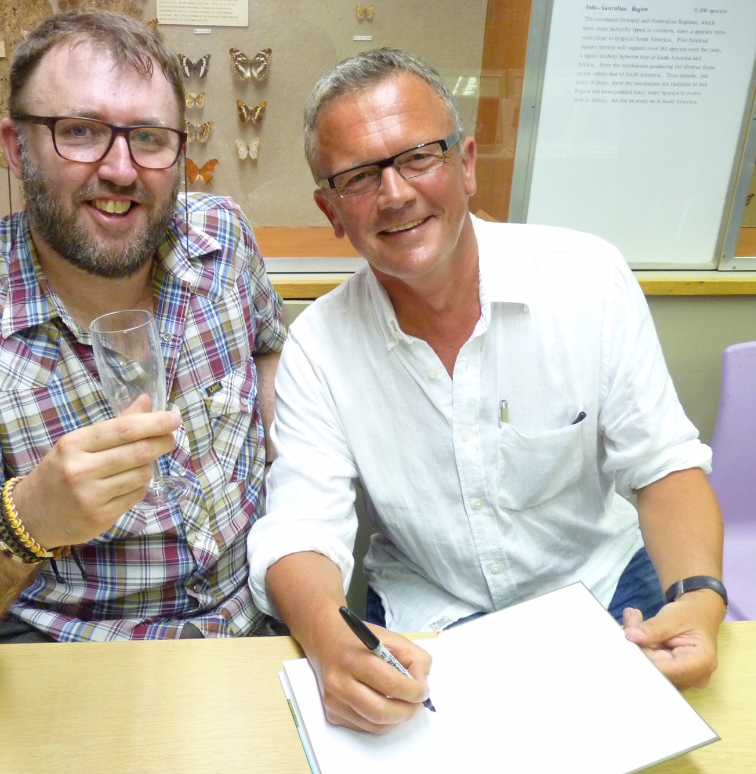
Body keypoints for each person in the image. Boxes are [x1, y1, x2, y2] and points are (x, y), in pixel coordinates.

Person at [246, 48, 726, 734]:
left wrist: (699, 597)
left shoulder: (586, 277)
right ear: (331, 211)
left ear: (465, 164)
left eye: (418, 157)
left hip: (603, 588)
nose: (395, 194)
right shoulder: (318, 347)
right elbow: (302, 525)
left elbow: (663, 465)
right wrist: (326, 637)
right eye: (358, 177)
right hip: (432, 616)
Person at [0, 10, 285, 654]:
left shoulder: (223, 240)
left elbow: (266, 347)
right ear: (14, 146)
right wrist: (27, 520)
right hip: (85, 664)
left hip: (254, 625)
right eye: (80, 132)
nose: (120, 170)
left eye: (147, 137)